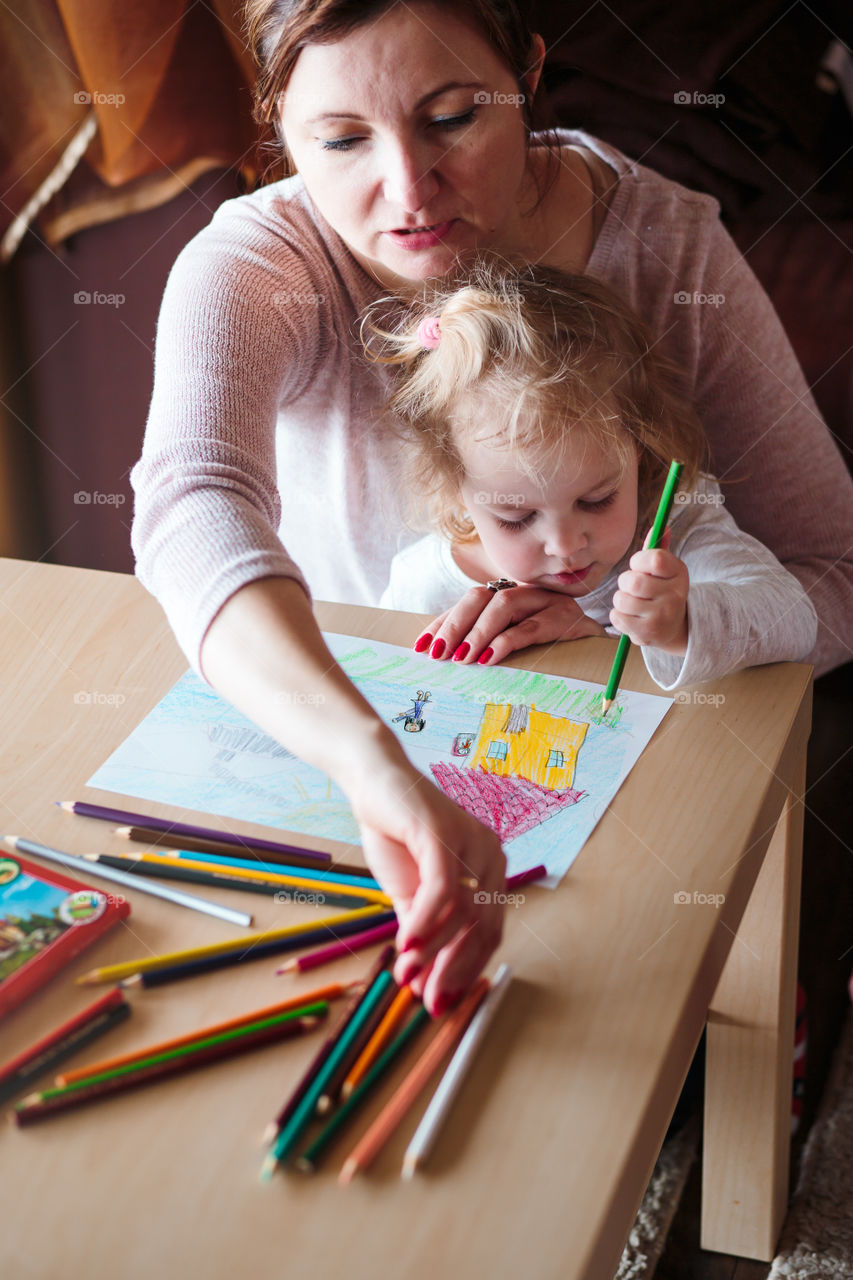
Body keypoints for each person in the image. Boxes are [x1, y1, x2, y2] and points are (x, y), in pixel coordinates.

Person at [130, 0, 853, 1017]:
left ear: (529, 74)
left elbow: (836, 574)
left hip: (615, 810)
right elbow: (189, 503)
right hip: (344, 774)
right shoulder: (260, 264)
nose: (408, 189)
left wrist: (614, 620)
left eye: (454, 117)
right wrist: (372, 767)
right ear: (279, 128)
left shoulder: (664, 245)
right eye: (340, 139)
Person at [375, 261, 818, 684]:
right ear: (457, 492)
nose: (566, 545)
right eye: (517, 517)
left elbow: (795, 621)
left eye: (596, 499)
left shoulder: (675, 532)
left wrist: (681, 622)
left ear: (641, 451)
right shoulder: (420, 586)